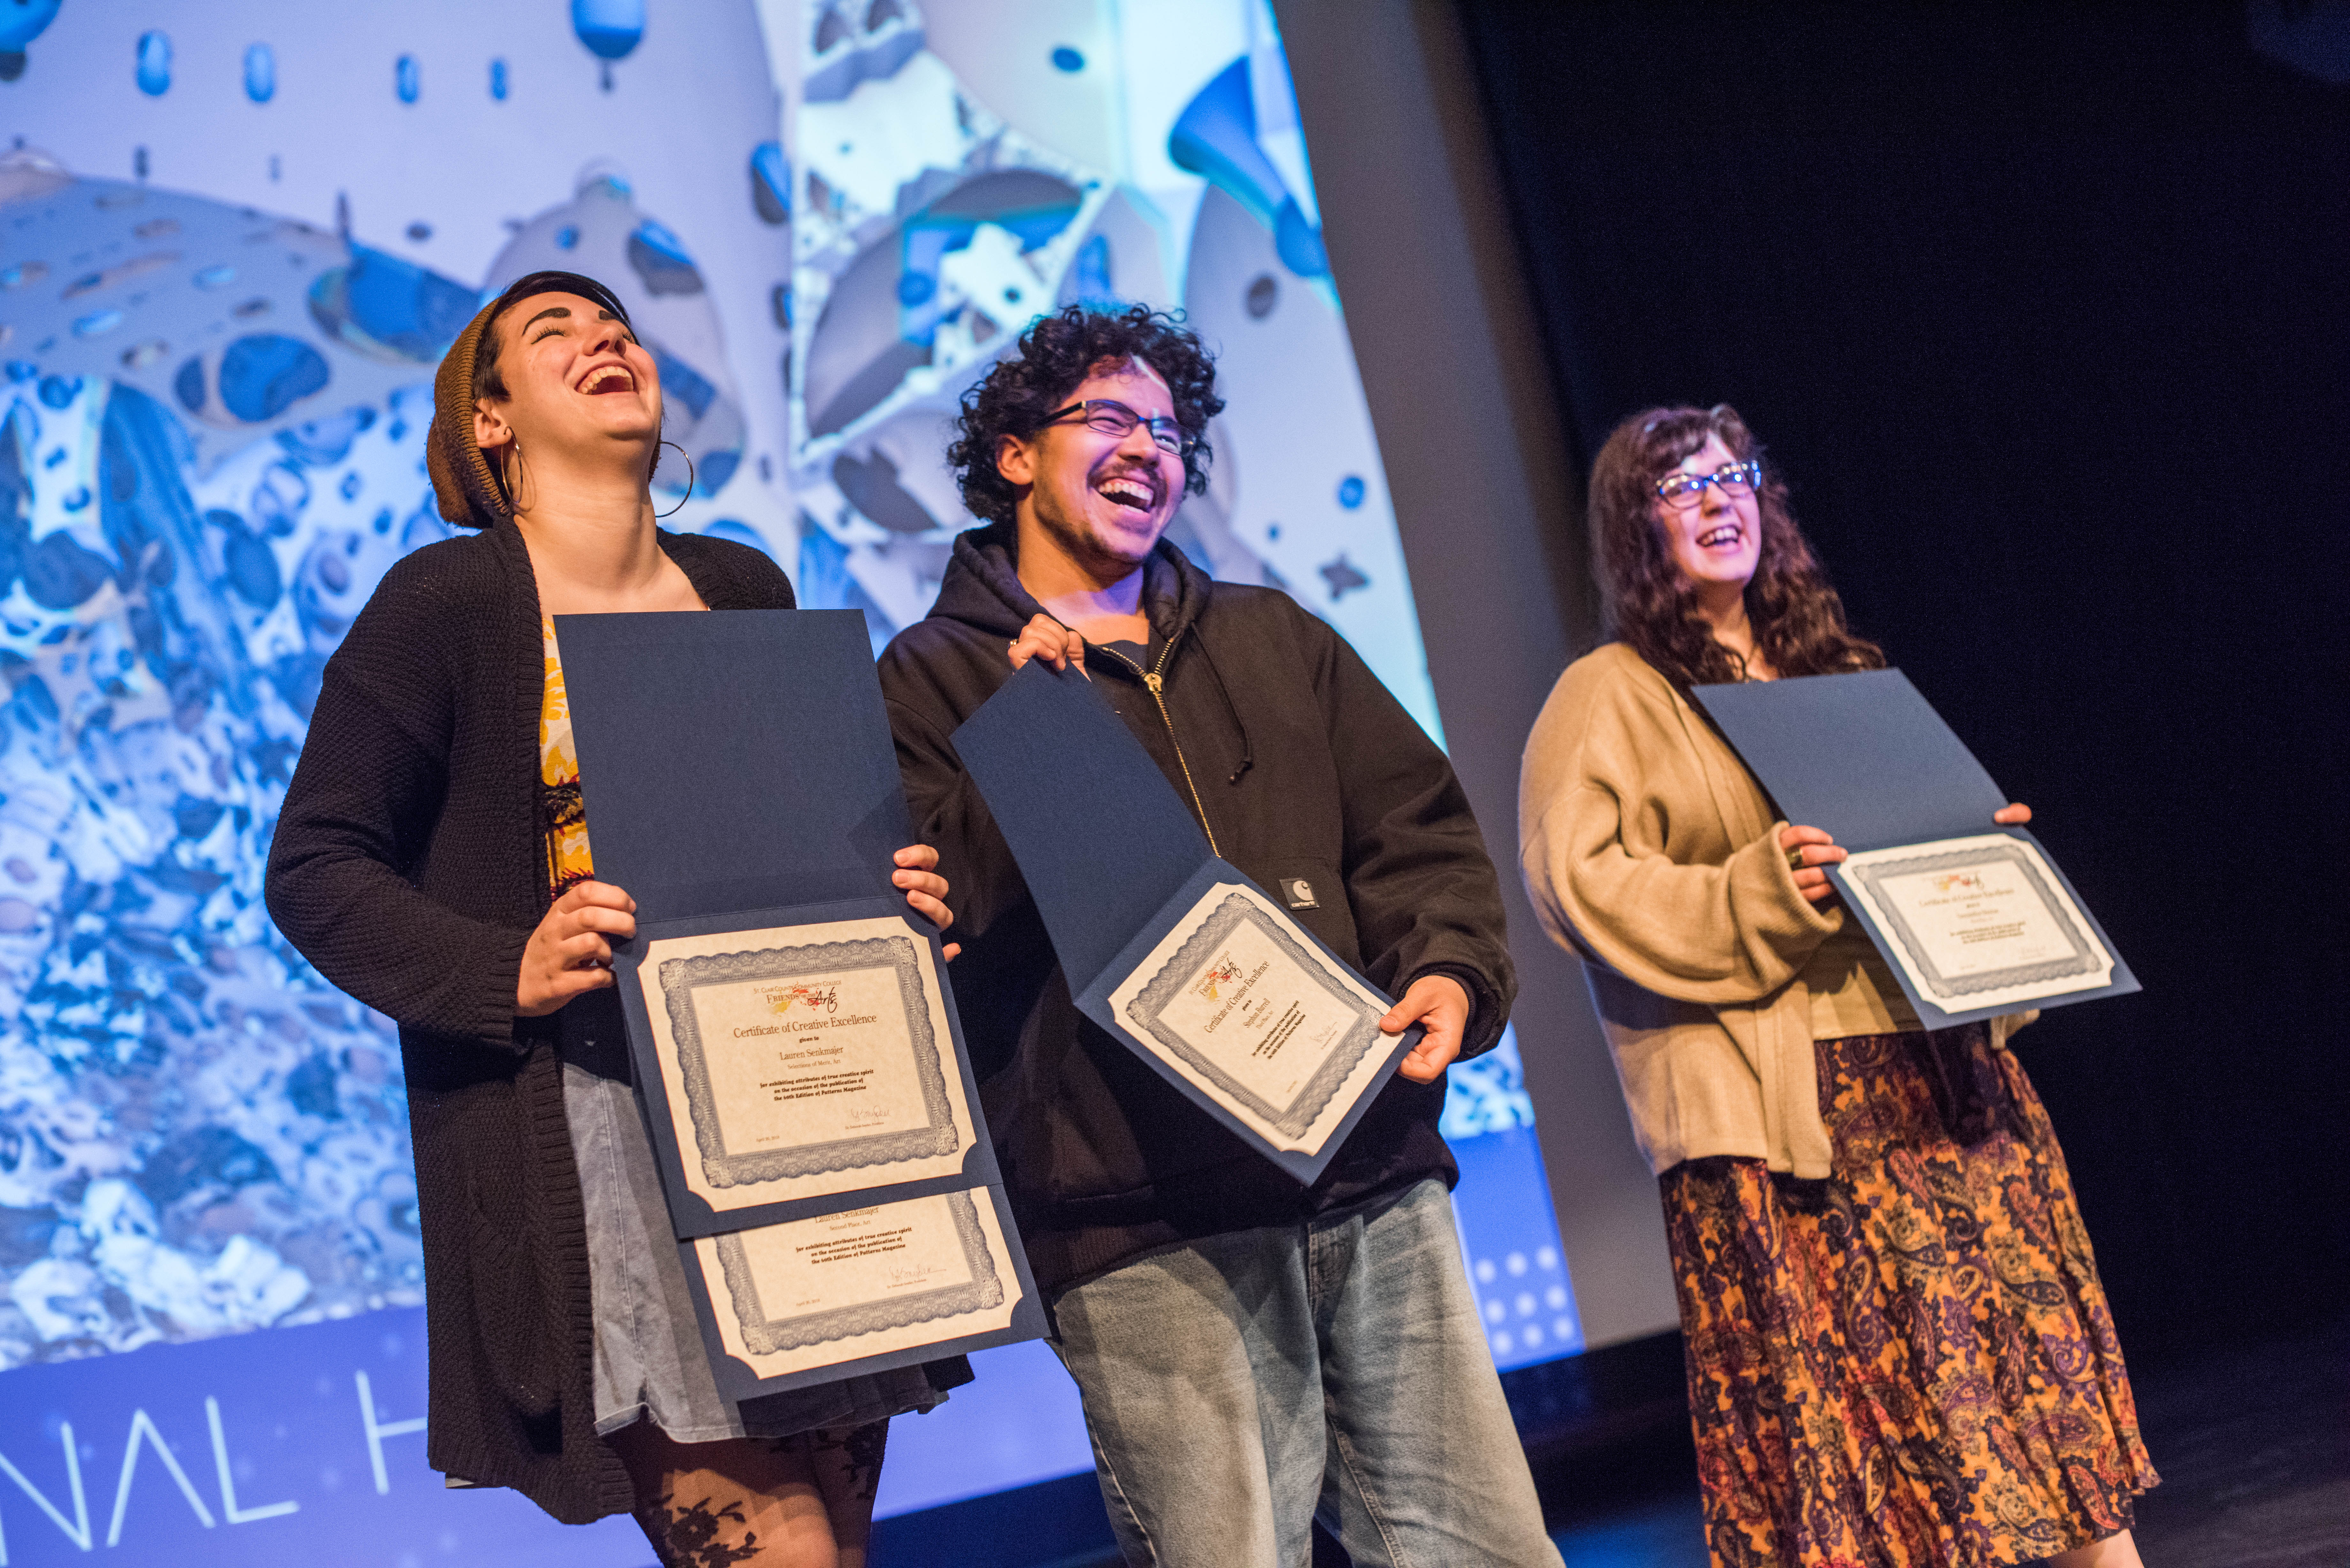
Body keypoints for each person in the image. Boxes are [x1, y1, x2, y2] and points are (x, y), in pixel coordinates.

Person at [265, 270, 967, 1568]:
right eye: (554, 333)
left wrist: (904, 886)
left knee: (840, 1548)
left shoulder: (743, 583)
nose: (605, 340)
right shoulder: (450, 605)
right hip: (606, 1141)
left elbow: (831, 835)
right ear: (490, 420)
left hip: (805, 1126)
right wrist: (505, 964)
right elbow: (315, 867)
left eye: (618, 327)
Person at [876, 304, 1559, 1566]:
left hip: (1364, 1164)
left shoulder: (1274, 637)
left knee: (1484, 1551)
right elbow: (930, 926)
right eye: (1108, 418)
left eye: (1170, 428)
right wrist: (1034, 741)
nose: (1148, 446)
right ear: (1015, 455)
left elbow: (1419, 841)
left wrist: (1453, 977)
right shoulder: (926, 679)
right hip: (1138, 1219)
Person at [1518, 404, 2157, 1568]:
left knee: (2041, 1418)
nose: (1718, 499)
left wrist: (1992, 870)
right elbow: (1581, 887)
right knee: (1867, 1475)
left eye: (1734, 475)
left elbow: (1928, 869)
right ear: (1631, 526)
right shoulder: (1607, 696)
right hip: (1789, 1131)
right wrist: (1762, 890)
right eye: (1680, 486)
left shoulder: (1842, 672)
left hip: (1947, 1095)